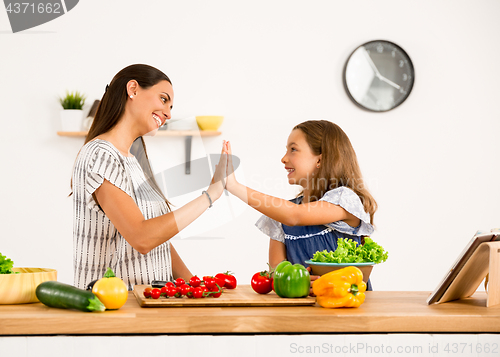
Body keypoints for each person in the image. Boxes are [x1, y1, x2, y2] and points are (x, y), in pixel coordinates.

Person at [71, 64, 227, 290]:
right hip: (112, 308)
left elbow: (157, 239)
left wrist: (194, 284)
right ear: (133, 89)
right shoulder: (101, 155)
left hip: (147, 302)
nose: (169, 113)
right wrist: (210, 195)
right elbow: (142, 238)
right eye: (163, 99)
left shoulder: (132, 160)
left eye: (171, 106)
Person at [223, 120, 377, 290]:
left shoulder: (345, 199)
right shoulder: (280, 216)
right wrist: (296, 281)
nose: (283, 158)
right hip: (300, 309)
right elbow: (276, 270)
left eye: (293, 149)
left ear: (320, 159)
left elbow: (294, 216)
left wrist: (233, 186)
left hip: (347, 308)